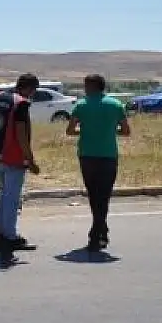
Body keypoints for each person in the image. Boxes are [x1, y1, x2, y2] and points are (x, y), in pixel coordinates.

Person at [65, 74, 131, 251]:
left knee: (94, 195)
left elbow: (70, 130)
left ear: (92, 86)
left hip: (87, 154)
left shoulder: (81, 105)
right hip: (108, 155)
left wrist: (85, 131)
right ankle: (101, 230)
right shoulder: (116, 105)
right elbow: (126, 131)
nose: (84, 89)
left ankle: (97, 233)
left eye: (85, 86)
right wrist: (109, 130)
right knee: (104, 195)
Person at [0, 73, 41, 261]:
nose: (33, 94)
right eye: (33, 90)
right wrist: (30, 160)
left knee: (4, 195)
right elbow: (21, 134)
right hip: (13, 157)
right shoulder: (21, 104)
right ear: (30, 88)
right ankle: (10, 237)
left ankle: (2, 232)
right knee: (12, 199)